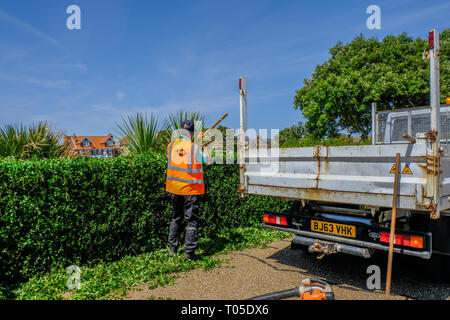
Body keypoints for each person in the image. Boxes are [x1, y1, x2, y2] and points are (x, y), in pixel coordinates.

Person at [166, 120, 210, 260]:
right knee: (191, 221)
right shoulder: (195, 148)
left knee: (175, 219)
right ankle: (189, 253)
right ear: (192, 133)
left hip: (174, 189)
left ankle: (172, 250)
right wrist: (204, 145)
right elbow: (207, 161)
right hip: (190, 191)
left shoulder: (171, 145)